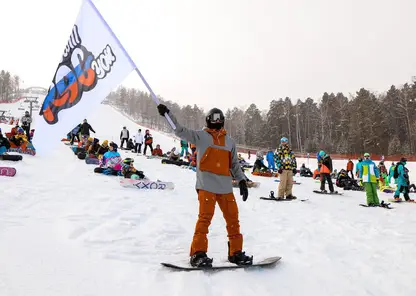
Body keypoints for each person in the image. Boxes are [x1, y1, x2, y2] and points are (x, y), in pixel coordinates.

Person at [157, 104, 251, 267]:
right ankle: (198, 253)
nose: (217, 121)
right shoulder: (200, 136)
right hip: (206, 184)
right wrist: (167, 115)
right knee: (205, 219)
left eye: (220, 118)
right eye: (214, 118)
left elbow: (234, 163)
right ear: (208, 120)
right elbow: (179, 130)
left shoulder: (229, 142)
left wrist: (241, 180)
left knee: (233, 219)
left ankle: (235, 253)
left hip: (225, 186)